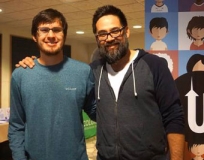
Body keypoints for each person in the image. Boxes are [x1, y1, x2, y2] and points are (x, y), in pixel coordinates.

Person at [16, 5, 185, 160]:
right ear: (97, 39)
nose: (109, 38)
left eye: (115, 31)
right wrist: (34, 64)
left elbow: (174, 118)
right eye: (102, 34)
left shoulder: (154, 65)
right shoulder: (92, 71)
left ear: (126, 32)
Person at [9, 8, 96, 160]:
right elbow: (16, 125)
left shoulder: (83, 71)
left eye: (57, 30)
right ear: (35, 36)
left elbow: (99, 113)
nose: (51, 35)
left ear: (64, 35)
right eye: (44, 30)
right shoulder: (20, 75)